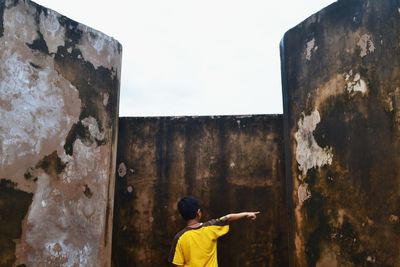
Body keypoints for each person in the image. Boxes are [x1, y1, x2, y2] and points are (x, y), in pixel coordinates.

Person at [168, 196, 260, 267]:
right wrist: (247, 214)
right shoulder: (211, 227)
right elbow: (228, 217)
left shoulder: (179, 238)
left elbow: (177, 264)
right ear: (198, 213)